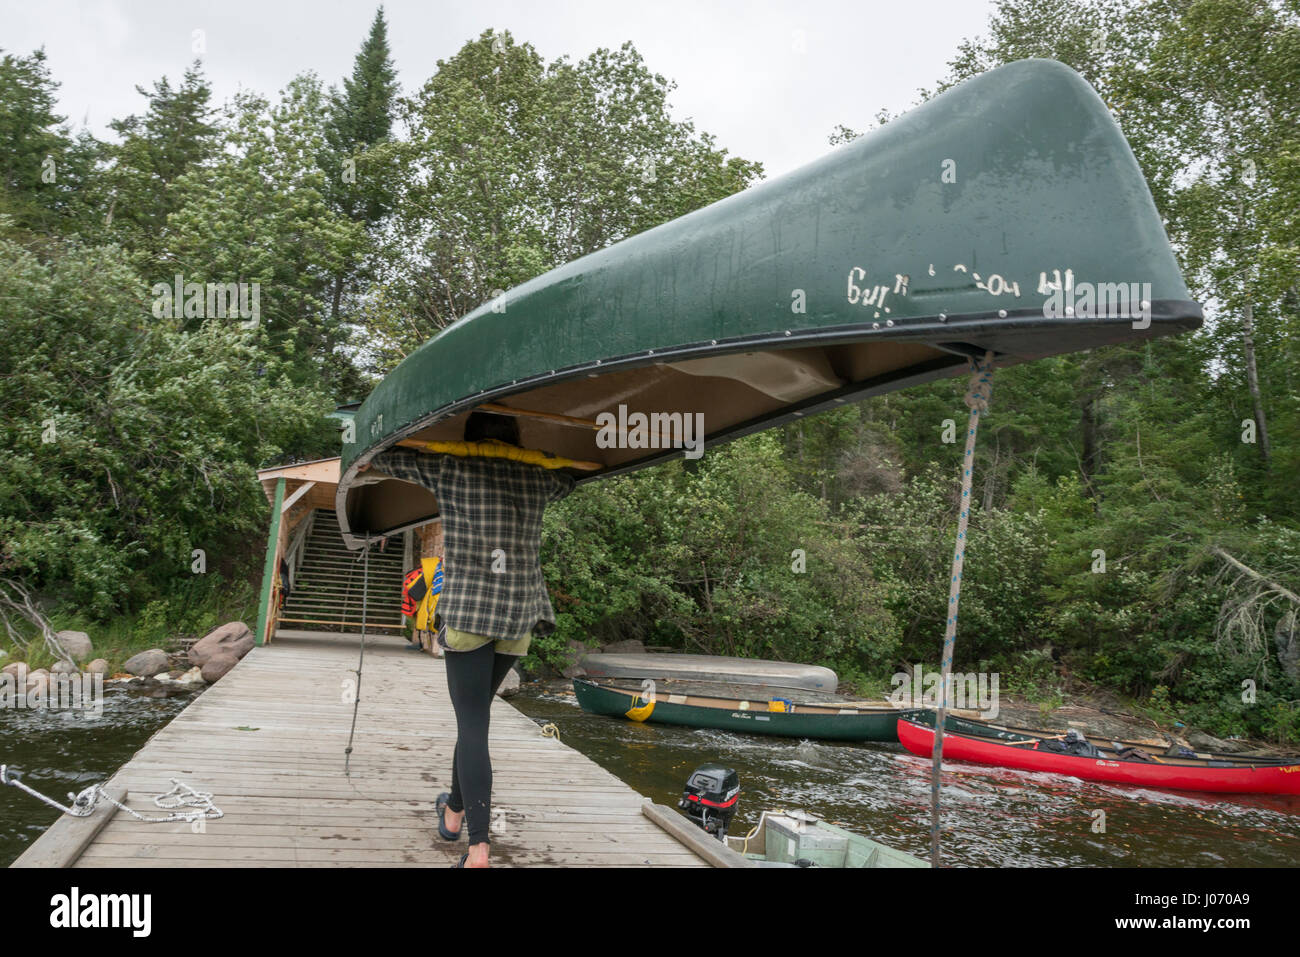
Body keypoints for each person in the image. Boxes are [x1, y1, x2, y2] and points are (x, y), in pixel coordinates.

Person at [363, 411, 575, 867]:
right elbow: (569, 481)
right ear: (516, 439)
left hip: (470, 614)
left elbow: (387, 459)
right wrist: (532, 458)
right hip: (518, 619)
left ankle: (478, 848)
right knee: (474, 717)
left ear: (469, 438)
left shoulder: (450, 468)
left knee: (472, 723)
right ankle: (454, 813)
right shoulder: (538, 479)